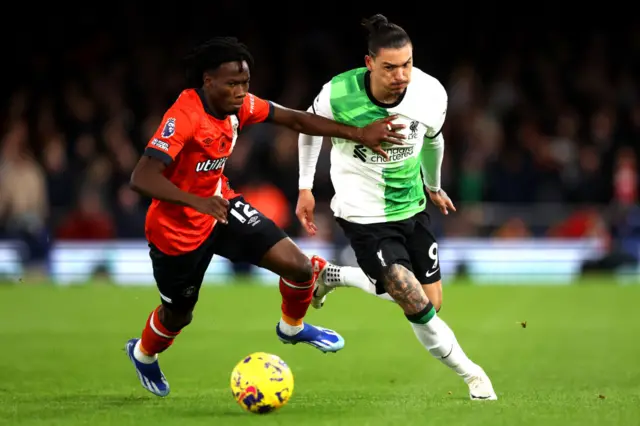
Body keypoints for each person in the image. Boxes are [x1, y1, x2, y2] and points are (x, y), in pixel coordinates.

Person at [125, 36, 405, 397]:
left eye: (245, 83)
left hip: (221, 208)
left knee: (301, 267)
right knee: (178, 315)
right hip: (176, 230)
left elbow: (295, 119)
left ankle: (291, 327)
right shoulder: (184, 116)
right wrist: (193, 202)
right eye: (232, 84)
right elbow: (141, 177)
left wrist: (358, 134)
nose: (241, 92)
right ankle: (144, 353)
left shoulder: (238, 106)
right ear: (208, 81)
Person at [296, 14, 497, 400]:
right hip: (362, 213)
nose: (401, 75)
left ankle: (332, 275)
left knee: (430, 302)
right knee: (410, 296)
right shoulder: (338, 93)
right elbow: (308, 128)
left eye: (406, 64)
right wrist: (305, 187)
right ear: (369, 63)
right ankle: (474, 376)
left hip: (411, 205)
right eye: (390, 67)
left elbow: (434, 140)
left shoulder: (431, 92)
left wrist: (434, 185)